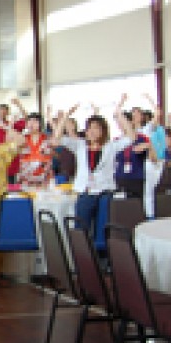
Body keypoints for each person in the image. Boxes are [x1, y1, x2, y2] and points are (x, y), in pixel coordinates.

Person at [52, 96, 136, 238]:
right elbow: (56, 139)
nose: (92, 131)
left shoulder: (111, 146)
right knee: (81, 229)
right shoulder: (80, 145)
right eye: (89, 128)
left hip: (104, 192)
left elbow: (131, 137)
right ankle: (82, 255)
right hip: (85, 192)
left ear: (103, 131)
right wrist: (66, 116)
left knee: (103, 229)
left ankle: (102, 255)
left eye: (96, 128)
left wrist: (119, 113)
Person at [16, 112, 54, 188]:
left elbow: (57, 137)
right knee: (27, 198)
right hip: (26, 180)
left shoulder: (47, 138)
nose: (31, 124)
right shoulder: (22, 139)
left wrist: (51, 120)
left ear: (40, 124)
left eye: (35, 121)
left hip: (44, 180)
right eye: (29, 121)